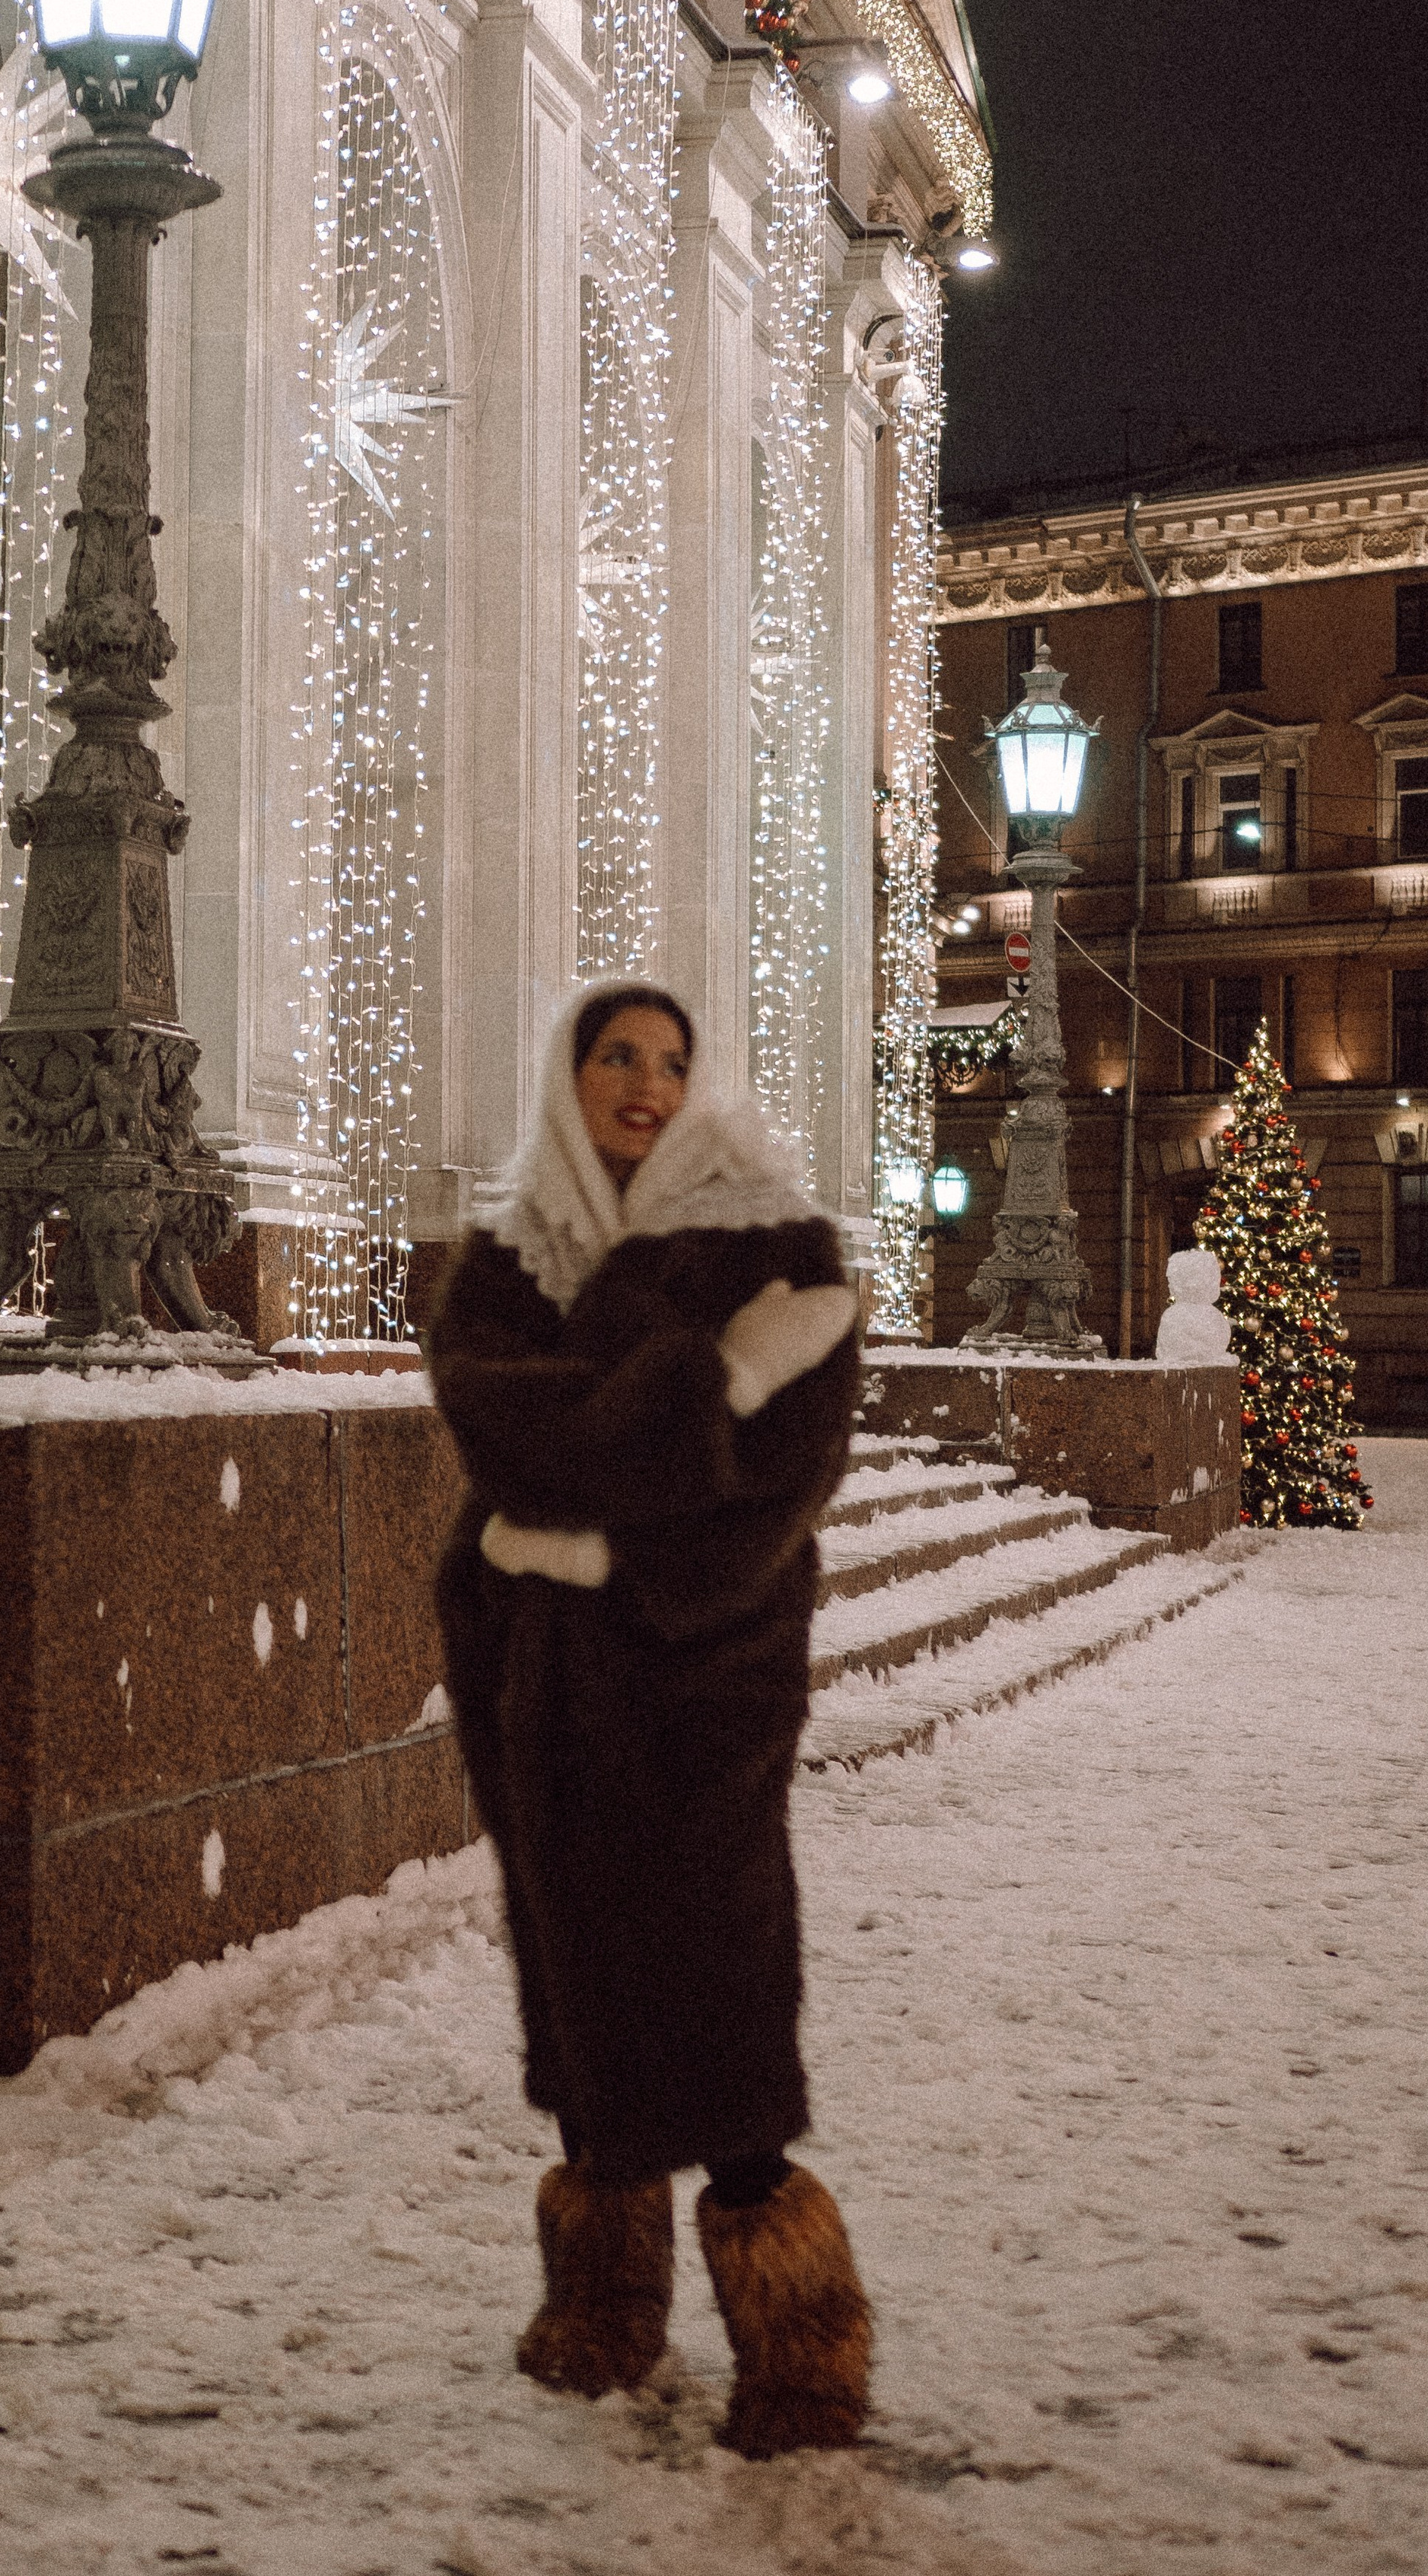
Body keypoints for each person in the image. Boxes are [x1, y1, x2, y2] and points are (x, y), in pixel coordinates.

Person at [425, 980, 870, 2457]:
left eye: (670, 1062)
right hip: (543, 1685)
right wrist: (715, 1379)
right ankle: (601, 2304)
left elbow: (781, 1486)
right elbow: (502, 1429)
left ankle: (796, 2339)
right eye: (614, 1056)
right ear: (568, 1075)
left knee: (718, 1982)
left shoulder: (775, 1240)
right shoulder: (506, 1254)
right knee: (577, 1976)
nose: (643, 1083)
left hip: (703, 1672)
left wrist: (609, 1535)